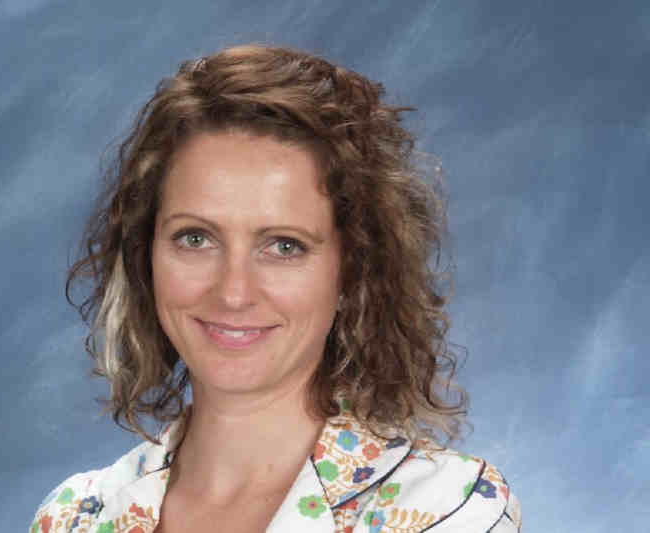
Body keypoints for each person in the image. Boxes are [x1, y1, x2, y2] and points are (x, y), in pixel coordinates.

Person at [29, 44, 522, 533]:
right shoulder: (75, 517)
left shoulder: (450, 509)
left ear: (353, 271)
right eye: (196, 238)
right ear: (146, 254)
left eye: (284, 246)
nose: (233, 292)